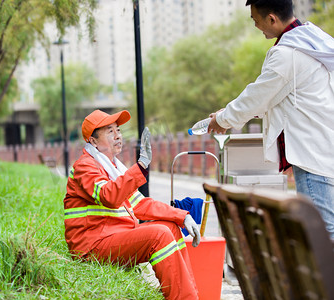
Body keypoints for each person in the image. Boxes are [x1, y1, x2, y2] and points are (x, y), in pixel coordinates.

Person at [207, 0, 334, 239]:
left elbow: (256, 96)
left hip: (312, 156)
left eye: (256, 20)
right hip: (323, 147)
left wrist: (223, 120)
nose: (256, 26)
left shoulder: (287, 54)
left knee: (322, 232)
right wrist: (228, 113)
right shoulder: (311, 41)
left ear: (272, 19)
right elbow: (274, 97)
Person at [64, 109, 200, 299]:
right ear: (93, 141)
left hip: (113, 238)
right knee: (159, 235)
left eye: (118, 130)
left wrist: (182, 216)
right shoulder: (85, 166)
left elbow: (141, 205)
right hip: (92, 247)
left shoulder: (113, 168)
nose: (118, 135)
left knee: (171, 228)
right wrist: (141, 167)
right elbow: (108, 196)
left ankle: (189, 295)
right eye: (110, 131)